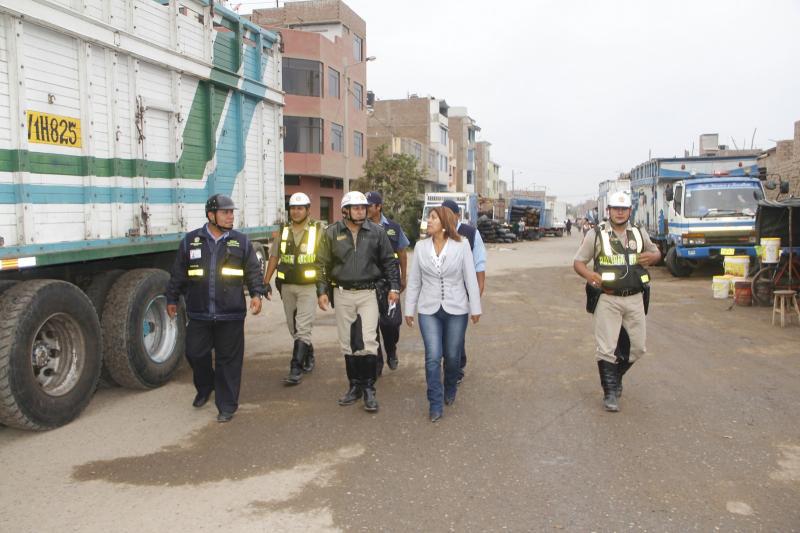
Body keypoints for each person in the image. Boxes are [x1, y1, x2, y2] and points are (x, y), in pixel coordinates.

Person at [166, 193, 266, 423]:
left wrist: (257, 294)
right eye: (225, 212)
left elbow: (252, 271)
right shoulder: (191, 241)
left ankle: (227, 404)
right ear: (211, 215)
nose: (231, 216)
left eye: (232, 212)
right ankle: (205, 386)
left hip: (230, 313)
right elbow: (178, 273)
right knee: (194, 353)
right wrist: (172, 298)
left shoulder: (240, 242)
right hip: (199, 312)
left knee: (228, 360)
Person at [573, 190, 661, 412]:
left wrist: (654, 256)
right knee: (606, 348)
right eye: (616, 209)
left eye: (624, 209)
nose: (620, 213)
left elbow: (656, 253)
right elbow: (579, 262)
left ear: (630, 211)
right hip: (607, 298)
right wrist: (589, 276)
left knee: (638, 347)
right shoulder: (596, 234)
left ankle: (615, 376)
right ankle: (610, 392)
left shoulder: (639, 233)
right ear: (608, 210)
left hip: (635, 298)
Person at [316, 191, 400, 413]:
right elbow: (321, 264)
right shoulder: (331, 233)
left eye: (363, 207)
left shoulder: (377, 233)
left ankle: (369, 389)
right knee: (347, 343)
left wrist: (393, 287)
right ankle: (354, 386)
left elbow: (389, 262)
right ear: (345, 210)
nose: (361, 211)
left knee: (368, 340)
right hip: (342, 294)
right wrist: (322, 290)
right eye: (356, 208)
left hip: (369, 294)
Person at [405, 207, 481, 422]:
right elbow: (414, 281)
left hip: (456, 308)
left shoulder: (461, 245)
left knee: (453, 356)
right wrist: (409, 309)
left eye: (432, 218)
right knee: (432, 357)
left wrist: (475, 308)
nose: (428, 221)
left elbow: (470, 278)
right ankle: (435, 403)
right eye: (428, 217)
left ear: (444, 222)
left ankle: (450, 388)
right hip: (428, 309)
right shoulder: (420, 247)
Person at [264, 192, 323, 385]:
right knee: (293, 327)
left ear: (308, 210)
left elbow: (326, 258)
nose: (296, 212)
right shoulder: (284, 231)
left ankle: (295, 368)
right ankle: (308, 351)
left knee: (303, 325)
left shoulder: (318, 229)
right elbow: (274, 257)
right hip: (287, 285)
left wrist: (325, 287)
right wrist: (266, 281)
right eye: (293, 208)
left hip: (309, 286)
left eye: (300, 208)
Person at [441, 199, 485, 383]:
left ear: (457, 215)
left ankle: (457, 368)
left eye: (447, 215)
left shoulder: (471, 234)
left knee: (456, 333)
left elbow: (479, 266)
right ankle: (451, 364)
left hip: (462, 295)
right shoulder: (436, 233)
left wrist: (475, 298)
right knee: (443, 333)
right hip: (439, 293)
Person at [366, 191, 410, 373]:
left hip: (390, 282)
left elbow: (402, 252)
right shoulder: (361, 228)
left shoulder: (393, 227)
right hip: (369, 283)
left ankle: (391, 350)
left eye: (369, 206)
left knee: (391, 323)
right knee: (371, 325)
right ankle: (377, 360)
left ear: (379, 207)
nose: (366, 209)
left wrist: (403, 276)